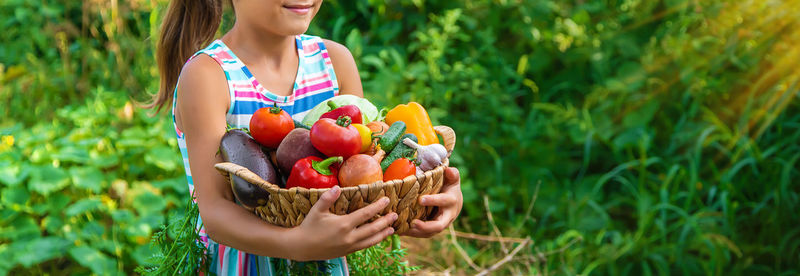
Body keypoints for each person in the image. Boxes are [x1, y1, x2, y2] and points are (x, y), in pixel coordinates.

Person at [147, 0, 463, 274]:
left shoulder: (335, 62)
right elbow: (215, 212)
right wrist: (294, 244)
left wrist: (427, 201)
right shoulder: (209, 75)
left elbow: (365, 179)